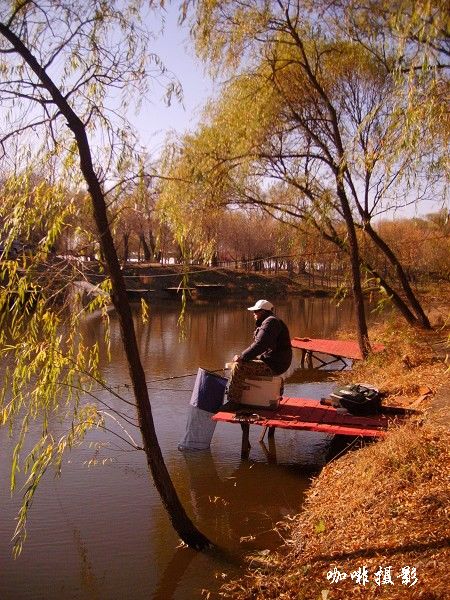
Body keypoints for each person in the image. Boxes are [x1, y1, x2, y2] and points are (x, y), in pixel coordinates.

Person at [227, 299, 292, 403]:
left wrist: (242, 356)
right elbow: (262, 346)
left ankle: (233, 402)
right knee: (243, 363)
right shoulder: (269, 321)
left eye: (256, 311)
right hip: (274, 362)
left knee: (240, 366)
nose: (254, 314)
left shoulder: (271, 322)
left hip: (275, 365)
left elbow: (260, 344)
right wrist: (248, 357)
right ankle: (247, 398)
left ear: (263, 311)